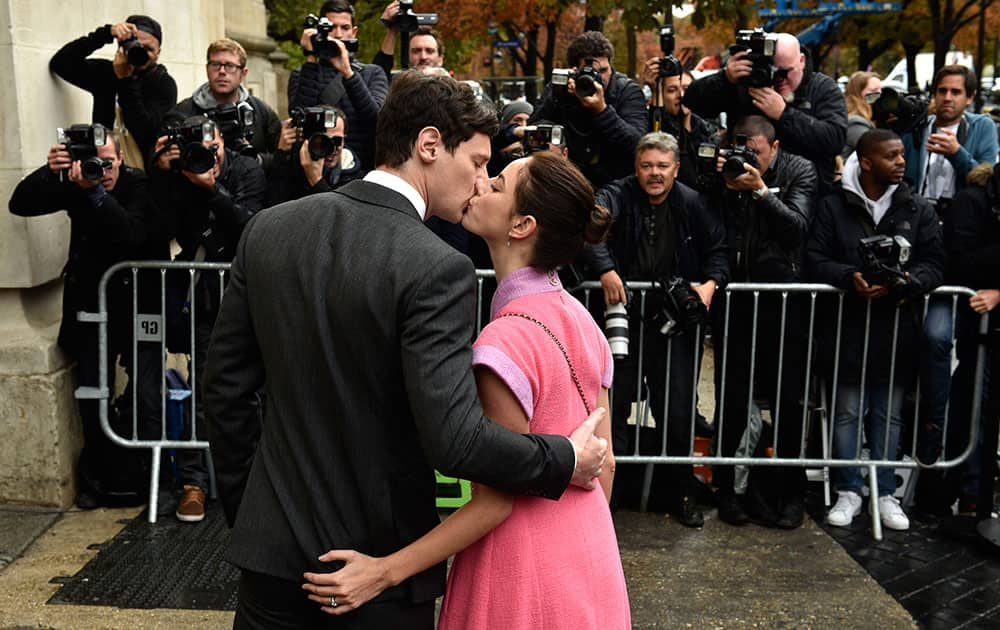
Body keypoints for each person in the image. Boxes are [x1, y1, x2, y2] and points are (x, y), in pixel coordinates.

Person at [202, 71, 607, 628]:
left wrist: (253, 511)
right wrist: (561, 458)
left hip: (270, 557)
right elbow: (455, 439)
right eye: (478, 162)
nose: (480, 180)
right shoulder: (437, 266)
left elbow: (226, 392)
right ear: (430, 145)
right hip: (378, 570)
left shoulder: (269, 229)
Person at [299, 151, 630, 628]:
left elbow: (494, 503)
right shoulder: (584, 320)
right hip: (591, 554)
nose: (481, 185)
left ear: (521, 226)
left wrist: (384, 572)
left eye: (496, 185)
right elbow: (607, 463)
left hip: (519, 568)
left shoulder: (507, 338)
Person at [8, 128, 169, 508]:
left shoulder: (139, 186)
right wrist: (51, 171)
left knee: (147, 396)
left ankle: (156, 480)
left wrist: (94, 193)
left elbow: (131, 233)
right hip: (91, 309)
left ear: (121, 160)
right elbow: (21, 203)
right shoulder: (79, 182)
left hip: (136, 305)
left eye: (109, 163)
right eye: (95, 164)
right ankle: (98, 479)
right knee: (93, 396)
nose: (103, 171)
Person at [581, 132, 727, 527]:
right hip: (621, 321)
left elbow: (719, 251)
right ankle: (605, 496)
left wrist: (710, 284)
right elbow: (590, 223)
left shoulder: (694, 202)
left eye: (662, 166)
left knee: (677, 411)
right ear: (636, 167)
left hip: (675, 326)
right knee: (613, 407)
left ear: (676, 169)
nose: (654, 173)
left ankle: (681, 492)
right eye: (647, 165)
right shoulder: (617, 194)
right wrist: (606, 269)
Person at [807, 129, 945, 532]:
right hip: (848, 326)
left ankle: (885, 491)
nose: (901, 161)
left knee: (889, 415)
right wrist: (850, 277)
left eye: (903, 154)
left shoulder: (917, 207)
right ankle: (849, 489)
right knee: (847, 412)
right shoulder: (834, 207)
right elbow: (814, 257)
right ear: (866, 162)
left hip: (897, 327)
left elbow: (936, 262)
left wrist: (908, 280)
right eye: (891, 156)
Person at [150, 115, 267, 523]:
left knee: (260, 391)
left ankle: (260, 480)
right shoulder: (177, 174)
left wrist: (212, 188)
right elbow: (165, 228)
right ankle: (194, 482)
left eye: (211, 145)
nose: (205, 154)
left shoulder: (247, 168)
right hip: (202, 300)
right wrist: (164, 175)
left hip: (250, 296)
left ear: (222, 141)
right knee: (203, 394)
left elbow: (252, 225)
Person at [708, 115, 816, 529]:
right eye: (740, 148)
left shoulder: (798, 170)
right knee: (732, 400)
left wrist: (760, 193)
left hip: (785, 299)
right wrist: (719, 180)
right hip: (736, 299)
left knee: (789, 401)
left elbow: (797, 230)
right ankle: (728, 489)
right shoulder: (725, 171)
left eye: (754, 150)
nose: (745, 157)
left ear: (773, 148)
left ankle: (790, 492)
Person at [900, 65, 998, 498]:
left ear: (970, 97)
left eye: (956, 92)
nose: (947, 99)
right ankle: (920, 430)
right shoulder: (916, 126)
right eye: (941, 90)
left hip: (961, 242)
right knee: (918, 343)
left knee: (943, 339)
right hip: (918, 233)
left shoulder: (981, 129)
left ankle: (943, 441)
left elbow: (987, 178)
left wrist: (958, 152)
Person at [684, 32, 846, 194]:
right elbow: (692, 102)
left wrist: (784, 114)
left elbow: (835, 139)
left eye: (784, 72)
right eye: (771, 72)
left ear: (802, 61)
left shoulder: (822, 88)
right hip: (742, 195)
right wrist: (725, 78)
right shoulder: (747, 85)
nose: (779, 79)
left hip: (805, 197)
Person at [49, 15, 177, 169]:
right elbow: (61, 63)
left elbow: (146, 132)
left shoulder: (163, 84)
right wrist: (105, 34)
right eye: (137, 46)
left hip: (142, 177)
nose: (141, 53)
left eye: (148, 49)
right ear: (122, 46)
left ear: (158, 52)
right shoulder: (107, 73)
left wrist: (126, 80)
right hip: (103, 169)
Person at [529, 31, 648, 188]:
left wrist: (602, 110)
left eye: (604, 70)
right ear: (575, 70)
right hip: (571, 183)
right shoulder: (560, 88)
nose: (599, 78)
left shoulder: (626, 90)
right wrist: (558, 96)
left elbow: (639, 144)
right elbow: (534, 130)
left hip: (618, 185)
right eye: (590, 72)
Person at [288, 0, 389, 172]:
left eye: (345, 27)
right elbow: (300, 121)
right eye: (332, 27)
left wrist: (348, 73)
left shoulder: (373, 73)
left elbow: (376, 121)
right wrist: (311, 58)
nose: (339, 34)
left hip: (363, 169)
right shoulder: (303, 73)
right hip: (316, 168)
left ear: (354, 32)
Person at [171, 38, 282, 168]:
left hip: (250, 185)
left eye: (230, 66)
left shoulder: (260, 111)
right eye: (215, 65)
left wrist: (256, 160)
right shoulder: (183, 112)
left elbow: (282, 158)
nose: (222, 71)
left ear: (243, 73)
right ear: (207, 69)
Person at [640, 56, 717, 191]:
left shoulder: (708, 131)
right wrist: (654, 89)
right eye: (672, 90)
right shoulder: (655, 128)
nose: (681, 95)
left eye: (687, 88)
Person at [267, 105, 360, 205]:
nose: (332, 148)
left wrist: (316, 181)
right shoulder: (293, 164)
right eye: (323, 141)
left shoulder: (353, 177)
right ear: (307, 140)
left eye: (337, 140)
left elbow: (341, 216)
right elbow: (273, 206)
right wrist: (281, 154)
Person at [842, 71, 882, 159]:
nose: (879, 95)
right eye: (873, 91)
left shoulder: (868, 117)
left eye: (881, 90)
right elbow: (876, 152)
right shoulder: (855, 122)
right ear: (858, 92)